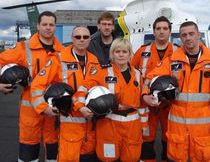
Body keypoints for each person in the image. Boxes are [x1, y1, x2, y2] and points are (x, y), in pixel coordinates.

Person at [142, 21, 210, 162]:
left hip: (202, 122)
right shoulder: (172, 60)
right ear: (180, 38)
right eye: (184, 35)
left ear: (198, 35)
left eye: (191, 34)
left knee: (203, 157)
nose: (188, 38)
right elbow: (150, 76)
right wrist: (145, 94)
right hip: (178, 119)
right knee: (175, 157)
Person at [0, 11, 64, 162]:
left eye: (51, 25)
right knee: (28, 150)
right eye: (44, 24)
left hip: (53, 108)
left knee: (53, 149)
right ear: (38, 26)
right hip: (30, 109)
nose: (48, 28)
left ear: (55, 27)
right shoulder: (24, 48)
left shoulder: (63, 52)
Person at [31, 26, 99, 162]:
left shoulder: (94, 60)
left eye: (85, 37)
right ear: (72, 38)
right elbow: (37, 85)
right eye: (78, 37)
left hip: (90, 122)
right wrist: (44, 108)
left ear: (90, 39)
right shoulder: (59, 59)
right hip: (69, 120)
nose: (82, 40)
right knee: (68, 157)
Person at [74, 38, 148, 162]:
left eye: (124, 52)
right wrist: (80, 106)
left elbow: (142, 103)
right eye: (117, 51)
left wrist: (144, 124)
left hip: (132, 127)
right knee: (108, 158)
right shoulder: (102, 72)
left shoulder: (138, 74)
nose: (121, 54)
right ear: (112, 54)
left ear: (130, 54)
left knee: (131, 158)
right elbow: (82, 88)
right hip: (108, 125)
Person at [131, 16, 174, 162]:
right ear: (153, 32)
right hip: (147, 103)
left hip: (170, 105)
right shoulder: (142, 52)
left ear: (170, 31)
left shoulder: (178, 53)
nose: (161, 32)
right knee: (146, 138)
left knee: (170, 137)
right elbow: (131, 74)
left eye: (165, 28)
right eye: (158, 29)